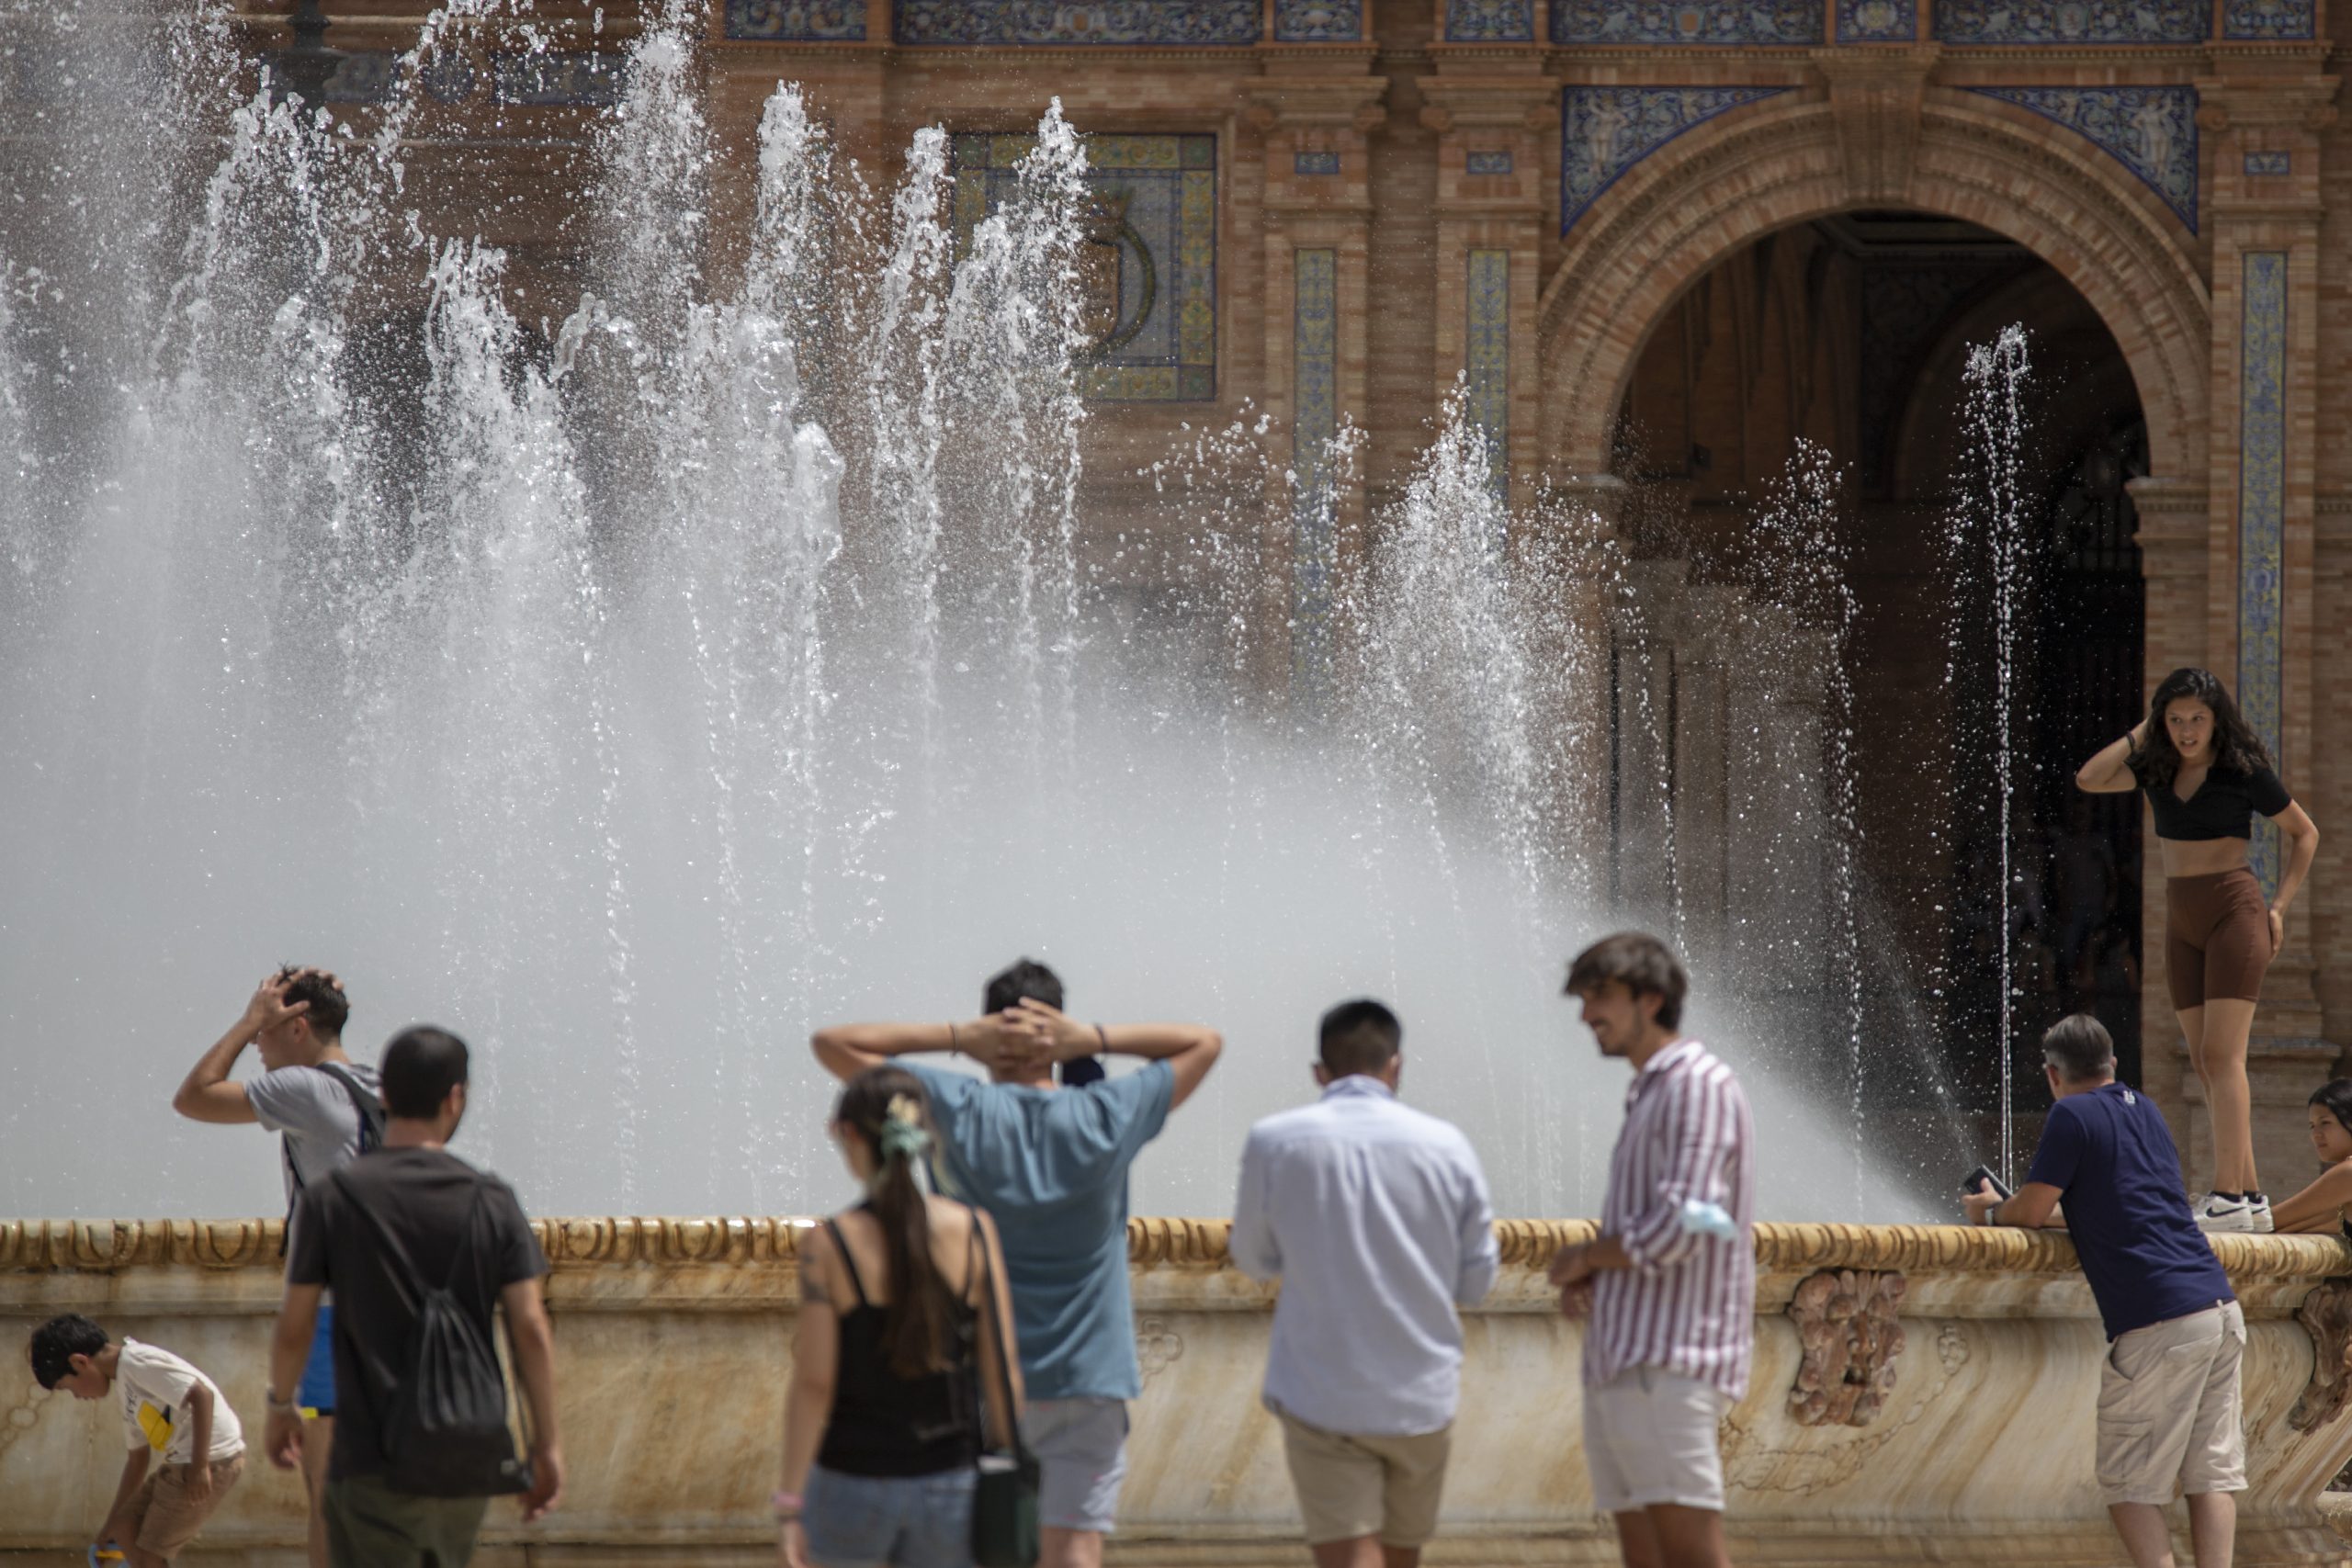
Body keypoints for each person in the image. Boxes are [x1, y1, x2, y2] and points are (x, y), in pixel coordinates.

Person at [810, 957, 1223, 1568]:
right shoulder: (1108, 1113)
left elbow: (833, 1043)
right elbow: (1203, 1042)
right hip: (1088, 1376)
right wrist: (1092, 1039)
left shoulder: (953, 1105)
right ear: (1056, 1034)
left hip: (976, 1377)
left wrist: (957, 1038)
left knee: (977, 1546)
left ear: (987, 1033)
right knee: (1074, 1550)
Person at [264, 1025, 563, 1565]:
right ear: (455, 1098)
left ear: (384, 1095)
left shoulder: (331, 1200)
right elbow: (531, 1330)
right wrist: (546, 1445)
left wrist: (280, 1406)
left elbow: (296, 1324)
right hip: (465, 1450)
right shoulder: (492, 1199)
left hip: (369, 1451)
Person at [1228, 999, 1498, 1568]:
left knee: (1348, 1557)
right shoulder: (1448, 1145)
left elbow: (1253, 1259)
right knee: (1403, 1556)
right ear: (1395, 1066)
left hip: (1322, 1392)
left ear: (1319, 1073)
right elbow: (1476, 1283)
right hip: (1420, 1394)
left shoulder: (1275, 1140)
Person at [1965, 1013, 2241, 1568]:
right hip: (2219, 1305)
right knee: (2210, 1474)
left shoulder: (2070, 1113)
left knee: (2128, 1488)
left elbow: (2035, 1210)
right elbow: (2123, 1206)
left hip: (2158, 1317)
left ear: (2052, 1075)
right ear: (2113, 1064)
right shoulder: (2147, 1108)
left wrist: (1991, 1212)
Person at [2075, 666, 2322, 1232]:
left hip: (2234, 910)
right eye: (2176, 718)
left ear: (2218, 721)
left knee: (2221, 1057)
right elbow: (2089, 778)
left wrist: (2279, 907)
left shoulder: (2242, 771)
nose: (2187, 730)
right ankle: (2253, 1198)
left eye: (2198, 719)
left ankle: (2226, 1195)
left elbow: (2305, 834)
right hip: (2180, 919)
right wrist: (2143, 730)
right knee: (2207, 1065)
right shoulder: (2157, 768)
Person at [1548, 932, 1752, 1568]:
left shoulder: (1696, 1084)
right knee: (1647, 1553)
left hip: (1668, 1361)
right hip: (1632, 1359)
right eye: (1584, 998)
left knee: (1689, 1552)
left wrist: (1587, 1256)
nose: (1587, 1014)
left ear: (1652, 999)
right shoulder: (1653, 1090)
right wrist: (1603, 1273)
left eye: (1600, 996)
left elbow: (1684, 1224)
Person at [170, 966, 381, 1567]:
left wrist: (246, 1020)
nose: (259, 1046)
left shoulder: (305, 1088)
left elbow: (194, 1097)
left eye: (267, 1029)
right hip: (403, 1311)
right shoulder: (384, 1085)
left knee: (327, 1492)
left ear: (297, 1024)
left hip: (338, 1319)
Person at [775, 1066, 1022, 1568]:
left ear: (849, 1134)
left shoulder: (828, 1244)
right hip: (951, 1484)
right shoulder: (975, 1230)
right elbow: (1002, 1372)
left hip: (851, 1481)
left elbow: (815, 1383)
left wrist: (789, 1506)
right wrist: (1021, 1477)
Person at [29, 1314, 246, 1566]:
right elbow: (137, 1459)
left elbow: (202, 1395)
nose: (77, 1396)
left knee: (148, 1555)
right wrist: (107, 1528)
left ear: (79, 1362)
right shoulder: (125, 1385)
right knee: (123, 1530)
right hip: (181, 1463)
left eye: (68, 1387)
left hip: (211, 1459)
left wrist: (200, 1467)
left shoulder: (136, 1361)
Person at [2265, 1079, 2352, 1237]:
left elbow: (2268, 1221)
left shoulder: (2348, 1173)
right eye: (2312, 1126)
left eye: (2325, 1123)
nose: (2316, 1134)